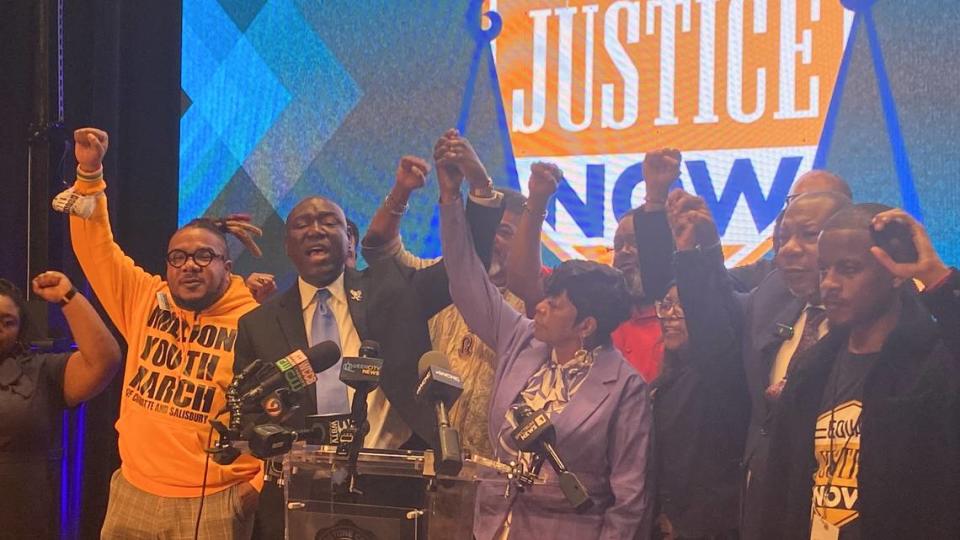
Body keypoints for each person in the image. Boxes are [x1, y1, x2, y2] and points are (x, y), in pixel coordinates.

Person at [233, 153, 504, 539]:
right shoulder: (257, 324)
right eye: (302, 224)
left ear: (349, 241)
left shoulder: (391, 289)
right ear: (288, 246)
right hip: (297, 489)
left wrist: (474, 191)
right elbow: (247, 411)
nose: (315, 229)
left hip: (390, 484)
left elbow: (464, 265)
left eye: (329, 222)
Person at [53, 127, 264, 539]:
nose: (190, 265)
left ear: (227, 266)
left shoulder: (255, 322)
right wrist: (90, 173)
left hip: (215, 501)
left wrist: (251, 491)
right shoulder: (146, 299)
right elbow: (98, 249)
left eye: (205, 255)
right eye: (179, 257)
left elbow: (284, 416)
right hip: (134, 491)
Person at [441, 160, 651, 539]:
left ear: (586, 326)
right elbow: (465, 278)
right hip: (493, 526)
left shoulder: (624, 387)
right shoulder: (522, 338)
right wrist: (450, 199)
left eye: (555, 304)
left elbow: (629, 498)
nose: (539, 306)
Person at [759, 203, 960, 539]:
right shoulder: (812, 369)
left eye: (849, 269)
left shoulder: (934, 365)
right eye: (825, 270)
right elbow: (781, 492)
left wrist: (935, 275)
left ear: (895, 273)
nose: (831, 284)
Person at [666, 188, 852, 540]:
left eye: (809, 235)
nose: (790, 248)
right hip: (760, 514)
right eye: (783, 237)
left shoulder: (877, 325)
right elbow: (716, 338)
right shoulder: (771, 298)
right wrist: (694, 253)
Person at [360, 130, 528, 457]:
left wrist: (480, 186)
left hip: (495, 471)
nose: (491, 239)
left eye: (505, 232)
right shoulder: (441, 278)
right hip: (423, 460)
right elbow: (381, 253)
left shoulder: (538, 306)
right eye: (487, 229)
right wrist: (402, 191)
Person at [0, 273, 120, 539]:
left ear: (20, 329)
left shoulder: (40, 370)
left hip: (22, 524)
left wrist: (68, 298)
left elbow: (105, 360)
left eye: (7, 322)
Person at [650, 283, 747, 540]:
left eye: (684, 305)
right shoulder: (665, 382)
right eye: (666, 304)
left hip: (710, 526)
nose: (671, 314)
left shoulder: (721, 377)